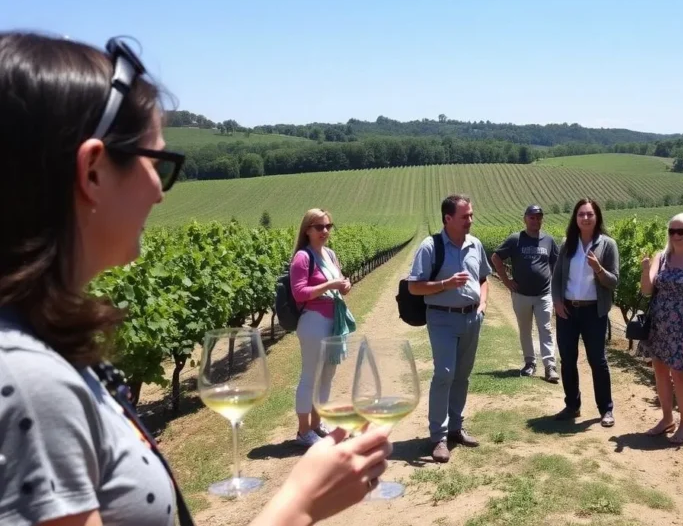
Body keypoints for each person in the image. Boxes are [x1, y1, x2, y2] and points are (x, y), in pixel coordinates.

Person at [0, 32, 391, 526]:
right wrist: (299, 505)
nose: (162, 195)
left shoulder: (37, 348)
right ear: (94, 171)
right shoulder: (28, 384)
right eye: (159, 164)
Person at [407, 195, 491, 463]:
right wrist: (445, 284)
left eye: (471, 215)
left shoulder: (475, 244)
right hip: (442, 318)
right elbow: (414, 286)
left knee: (462, 375)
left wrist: (483, 304)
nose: (470, 220)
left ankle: (456, 428)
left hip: (471, 318)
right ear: (448, 219)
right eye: (465, 216)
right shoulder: (430, 247)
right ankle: (438, 437)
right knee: (444, 374)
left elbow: (484, 278)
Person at [638, 213, 683, 444]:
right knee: (659, 372)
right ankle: (667, 418)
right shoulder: (662, 257)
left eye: (681, 231)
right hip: (659, 324)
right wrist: (645, 269)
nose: (676, 235)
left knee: (679, 375)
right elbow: (647, 291)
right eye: (672, 231)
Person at [551, 198, 620, 427]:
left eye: (590, 214)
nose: (586, 218)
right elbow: (557, 278)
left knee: (597, 361)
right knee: (568, 360)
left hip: (594, 311)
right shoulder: (567, 244)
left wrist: (599, 269)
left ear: (597, 217)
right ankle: (572, 405)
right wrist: (558, 302)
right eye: (582, 214)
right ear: (576, 218)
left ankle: (606, 409)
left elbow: (613, 281)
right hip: (568, 310)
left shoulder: (607, 245)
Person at [290, 208, 354, 447]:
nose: (325, 231)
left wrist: (344, 285)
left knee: (327, 375)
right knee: (310, 376)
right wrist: (331, 284)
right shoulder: (303, 258)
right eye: (319, 227)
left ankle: (317, 424)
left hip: (333, 321)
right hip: (314, 321)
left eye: (328, 226)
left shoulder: (330, 254)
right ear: (307, 230)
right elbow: (299, 293)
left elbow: (338, 285)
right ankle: (303, 431)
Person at [490, 204, 560, 383]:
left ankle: (550, 366)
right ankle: (530, 363)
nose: (535, 220)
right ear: (525, 219)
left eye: (538, 217)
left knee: (545, 328)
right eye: (532, 217)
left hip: (544, 294)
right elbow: (496, 257)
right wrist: (506, 281)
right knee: (525, 329)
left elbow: (556, 264)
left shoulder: (549, 240)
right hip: (521, 294)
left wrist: (555, 285)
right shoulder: (516, 239)